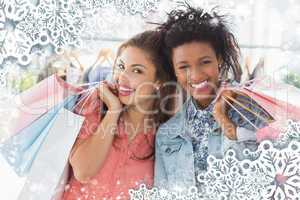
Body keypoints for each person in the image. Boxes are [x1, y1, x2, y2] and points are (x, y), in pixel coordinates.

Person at [154, 4, 270, 191]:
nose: (196, 75)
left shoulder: (252, 113)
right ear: (174, 71)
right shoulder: (167, 133)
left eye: (205, 62)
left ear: (220, 60)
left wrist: (225, 121)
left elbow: (270, 178)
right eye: (184, 67)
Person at [62, 30, 175, 199]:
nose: (122, 77)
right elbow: (83, 171)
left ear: (159, 81)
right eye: (121, 67)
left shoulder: (166, 135)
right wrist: (113, 111)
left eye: (137, 71)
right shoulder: (96, 106)